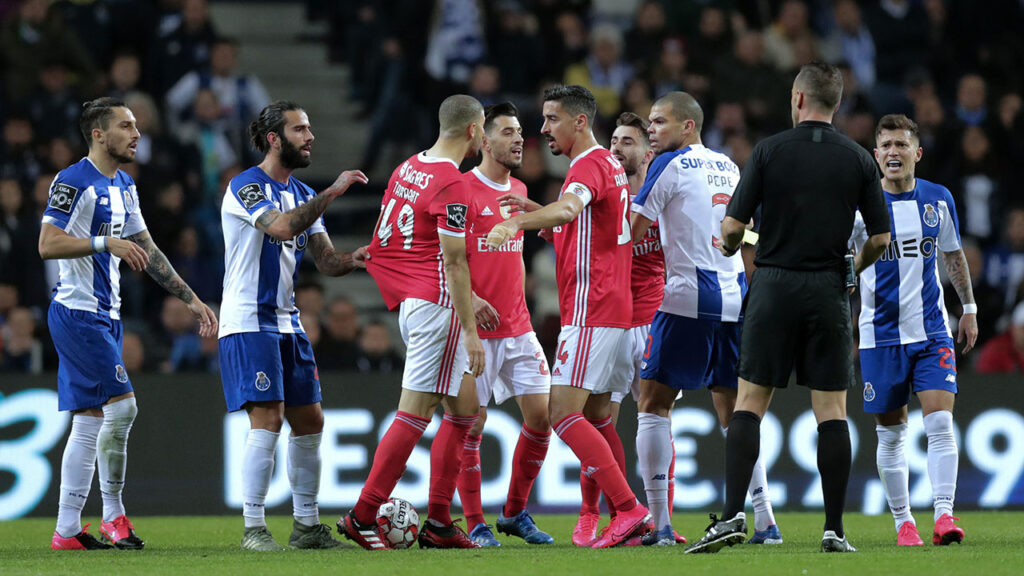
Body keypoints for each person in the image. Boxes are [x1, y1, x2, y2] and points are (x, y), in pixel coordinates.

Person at [686, 62, 891, 554]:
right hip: (827, 289)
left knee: (749, 403)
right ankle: (834, 530)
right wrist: (851, 269)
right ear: (835, 104)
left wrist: (733, 246)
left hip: (774, 285)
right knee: (831, 411)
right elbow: (881, 238)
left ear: (799, 99)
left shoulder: (769, 151)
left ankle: (734, 514)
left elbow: (733, 228)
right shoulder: (859, 159)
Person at [40, 97, 219, 550]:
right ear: (99, 134)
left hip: (107, 315)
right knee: (124, 408)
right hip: (78, 313)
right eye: (125, 125)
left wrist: (192, 299)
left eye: (136, 125)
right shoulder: (72, 181)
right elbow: (47, 243)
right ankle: (114, 516)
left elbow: (148, 250)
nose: (136, 133)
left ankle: (66, 530)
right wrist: (105, 243)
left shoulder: (124, 185)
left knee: (90, 419)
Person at [486, 85, 650, 549]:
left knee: (561, 413)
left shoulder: (588, 165)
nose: (543, 129)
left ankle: (629, 510)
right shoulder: (611, 168)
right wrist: (538, 211)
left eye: (552, 118)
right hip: (616, 311)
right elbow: (586, 228)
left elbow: (573, 207)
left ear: (580, 121)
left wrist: (516, 222)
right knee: (599, 417)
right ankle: (627, 515)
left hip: (592, 310)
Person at [630, 92, 781, 547]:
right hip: (736, 298)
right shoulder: (728, 166)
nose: (651, 130)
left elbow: (631, 232)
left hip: (685, 298)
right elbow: (744, 232)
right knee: (736, 413)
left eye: (659, 122)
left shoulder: (667, 165)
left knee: (653, 403)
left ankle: (658, 525)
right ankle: (765, 521)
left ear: (688, 127)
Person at [218, 100, 368, 551]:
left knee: (311, 419)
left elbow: (324, 261)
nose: (310, 136)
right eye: (300, 129)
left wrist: (353, 260)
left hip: (288, 322)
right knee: (268, 417)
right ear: (273, 139)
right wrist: (334, 191)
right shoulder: (245, 186)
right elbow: (281, 229)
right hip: (248, 321)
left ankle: (306, 526)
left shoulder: (303, 194)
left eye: (310, 128)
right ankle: (254, 527)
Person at [339, 94, 486, 551]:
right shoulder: (453, 184)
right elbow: (455, 262)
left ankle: (439, 523)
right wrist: (470, 330)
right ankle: (363, 515)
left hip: (413, 301)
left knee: (464, 413)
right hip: (438, 308)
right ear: (473, 131)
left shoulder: (409, 167)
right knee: (416, 411)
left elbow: (391, 232)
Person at [850, 114, 978, 546]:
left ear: (916, 153)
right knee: (892, 433)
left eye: (901, 145)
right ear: (875, 155)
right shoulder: (859, 206)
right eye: (885, 145)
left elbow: (953, 257)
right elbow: (841, 266)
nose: (892, 152)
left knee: (940, 424)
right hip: (879, 336)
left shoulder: (937, 199)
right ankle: (904, 522)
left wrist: (970, 307)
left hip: (931, 332)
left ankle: (944, 516)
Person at [452, 102, 554, 548]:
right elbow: (440, 258)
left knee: (542, 419)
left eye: (520, 133)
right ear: (484, 139)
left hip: (518, 326)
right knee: (471, 426)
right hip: (473, 332)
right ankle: (475, 523)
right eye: (509, 132)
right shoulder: (459, 190)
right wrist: (470, 299)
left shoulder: (518, 190)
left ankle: (514, 512)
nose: (519, 140)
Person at [570, 111, 671, 548]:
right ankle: (594, 514)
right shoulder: (603, 196)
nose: (616, 147)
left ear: (647, 152)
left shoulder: (665, 199)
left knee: (659, 423)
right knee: (597, 422)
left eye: (627, 141)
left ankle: (662, 520)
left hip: (653, 321)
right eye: (613, 139)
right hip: (610, 321)